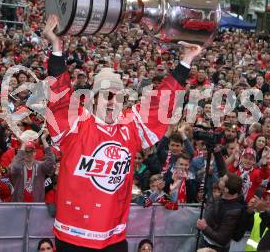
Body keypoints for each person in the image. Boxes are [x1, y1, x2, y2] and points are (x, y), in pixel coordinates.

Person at [44, 14, 201, 251]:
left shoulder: (131, 125)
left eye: (118, 97)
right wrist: (57, 47)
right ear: (93, 99)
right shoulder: (76, 124)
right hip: (73, 236)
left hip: (113, 238)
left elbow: (161, 101)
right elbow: (59, 98)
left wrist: (186, 60)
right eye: (106, 96)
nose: (112, 102)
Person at [196, 172, 246, 252]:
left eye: (222, 180)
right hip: (206, 241)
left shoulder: (233, 211)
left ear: (226, 190)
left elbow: (222, 239)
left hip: (215, 248)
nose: (220, 179)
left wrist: (204, 227)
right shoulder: (225, 197)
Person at [10, 130, 55, 202]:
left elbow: (51, 163)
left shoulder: (40, 166)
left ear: (35, 152)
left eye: (31, 151)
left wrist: (43, 139)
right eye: (26, 151)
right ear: (22, 152)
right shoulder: (19, 166)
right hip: (19, 205)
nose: (29, 154)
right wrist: (23, 144)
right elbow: (15, 167)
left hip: (36, 206)